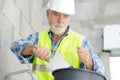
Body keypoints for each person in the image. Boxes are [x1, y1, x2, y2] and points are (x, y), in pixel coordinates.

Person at [11, 0, 105, 80]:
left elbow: (100, 73)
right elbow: (15, 46)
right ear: (48, 14)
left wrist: (89, 62)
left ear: (70, 18)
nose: (60, 21)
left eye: (65, 16)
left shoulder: (81, 41)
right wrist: (32, 48)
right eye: (56, 14)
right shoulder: (38, 38)